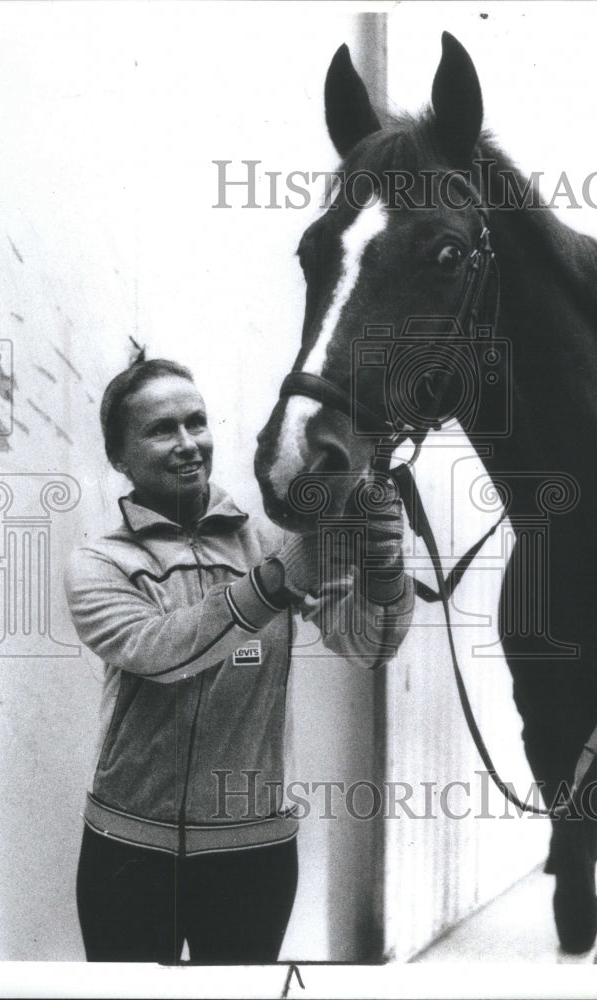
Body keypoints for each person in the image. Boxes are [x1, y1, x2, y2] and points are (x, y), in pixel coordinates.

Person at [64, 353, 413, 964]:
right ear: (118, 457)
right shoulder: (100, 564)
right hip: (128, 852)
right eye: (160, 429)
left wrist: (384, 574)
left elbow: (368, 645)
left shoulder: (271, 540)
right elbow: (164, 652)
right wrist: (273, 583)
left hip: (255, 854)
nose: (187, 443)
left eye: (195, 422)